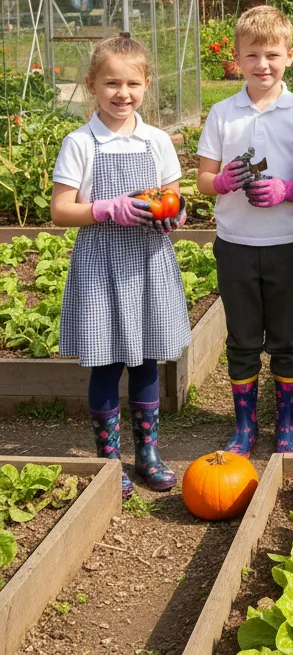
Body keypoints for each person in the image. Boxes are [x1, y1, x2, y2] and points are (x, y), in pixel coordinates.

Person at [51, 34, 189, 499]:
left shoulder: (156, 141)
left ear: (147, 84)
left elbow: (174, 197)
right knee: (107, 361)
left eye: (132, 83)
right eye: (112, 83)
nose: (122, 93)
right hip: (100, 265)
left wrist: (176, 215)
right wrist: (106, 208)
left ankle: (147, 453)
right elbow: (60, 210)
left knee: (147, 358)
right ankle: (109, 460)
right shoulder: (80, 142)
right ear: (92, 84)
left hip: (148, 261)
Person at [197, 5, 293, 456]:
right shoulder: (223, 113)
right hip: (236, 246)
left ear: (289, 55)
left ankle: (287, 422)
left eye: (271, 54)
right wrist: (222, 181)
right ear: (236, 58)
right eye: (252, 55)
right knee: (242, 339)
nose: (262, 65)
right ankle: (244, 425)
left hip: (286, 245)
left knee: (286, 338)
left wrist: (288, 188)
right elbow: (204, 179)